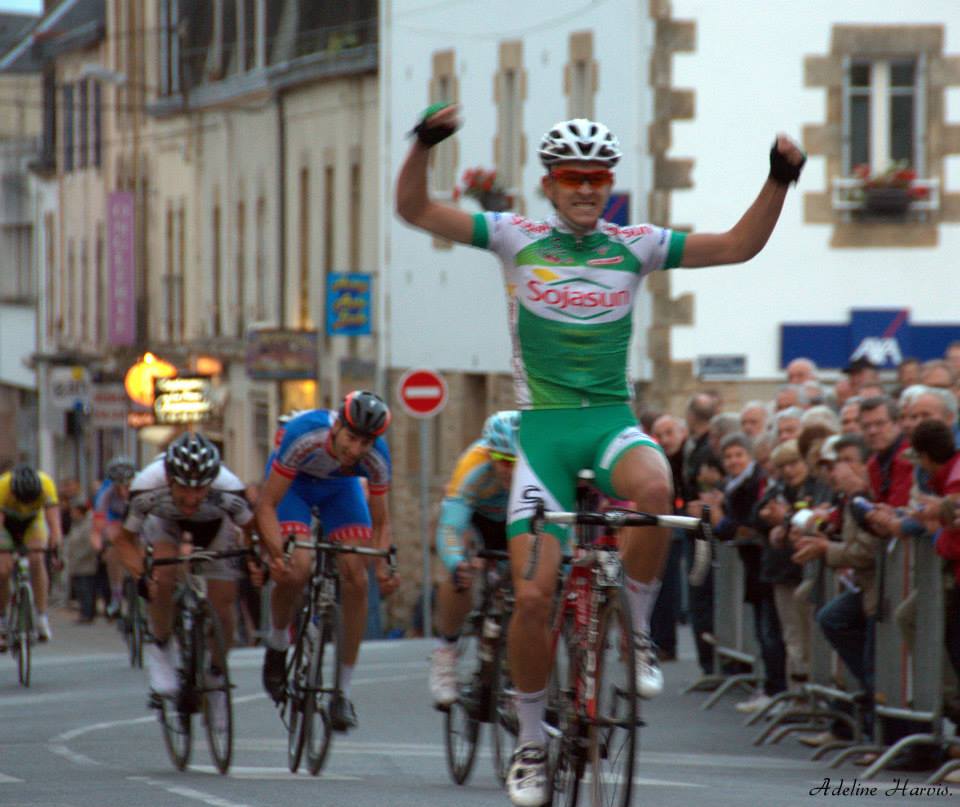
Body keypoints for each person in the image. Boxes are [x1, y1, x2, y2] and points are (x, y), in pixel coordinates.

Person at [396, 104, 805, 806]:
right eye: (573, 177)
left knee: (655, 484)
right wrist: (423, 144)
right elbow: (416, 210)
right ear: (549, 183)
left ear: (610, 183)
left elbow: (739, 245)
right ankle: (529, 739)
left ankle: (637, 629)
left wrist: (780, 179)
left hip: (612, 421)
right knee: (530, 595)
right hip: (545, 434)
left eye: (599, 178)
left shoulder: (635, 242)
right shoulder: (512, 236)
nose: (587, 189)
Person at [256, 391, 397, 732]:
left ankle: (342, 693)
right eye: (351, 438)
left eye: (366, 442)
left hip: (340, 490)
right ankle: (277, 643)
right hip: (295, 488)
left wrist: (383, 566)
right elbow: (266, 506)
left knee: (357, 578)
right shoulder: (304, 435)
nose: (356, 450)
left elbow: (381, 522)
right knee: (297, 567)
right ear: (337, 426)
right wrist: (276, 555)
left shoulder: (377, 457)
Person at [114, 433, 255, 723]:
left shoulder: (229, 489)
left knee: (224, 602)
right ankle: (162, 648)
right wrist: (142, 577)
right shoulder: (147, 486)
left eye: (200, 490)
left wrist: (255, 560)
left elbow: (252, 530)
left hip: (215, 525)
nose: (191, 499)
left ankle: (216, 676)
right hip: (166, 523)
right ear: (169, 478)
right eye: (183, 490)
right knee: (162, 576)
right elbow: (125, 541)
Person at [429, 410, 519, 706]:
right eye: (502, 460)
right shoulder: (474, 463)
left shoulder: (540, 469)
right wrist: (457, 562)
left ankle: (512, 665)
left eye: (516, 461)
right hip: (475, 522)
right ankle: (446, 652)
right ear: (489, 451)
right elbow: (451, 528)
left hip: (514, 522)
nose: (508, 469)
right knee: (460, 576)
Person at [0, 464, 62, 647]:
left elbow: (54, 523)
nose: (25, 504)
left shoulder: (46, 485)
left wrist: (55, 547)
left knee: (37, 559)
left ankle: (41, 616)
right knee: (3, 570)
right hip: (6, 524)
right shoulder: (3, 487)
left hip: (33, 523)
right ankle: (2, 618)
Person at [92, 456, 137, 618]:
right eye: (119, 486)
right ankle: (117, 595)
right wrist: (100, 541)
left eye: (127, 485)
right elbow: (99, 518)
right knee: (113, 549)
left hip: (137, 515)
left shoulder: (141, 487)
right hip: (115, 518)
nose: (123, 490)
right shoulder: (106, 492)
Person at [64, 495, 99, 624]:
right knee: (81, 589)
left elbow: (89, 544)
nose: (71, 514)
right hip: (77, 563)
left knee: (86, 589)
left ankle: (87, 613)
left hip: (85, 563)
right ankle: (85, 612)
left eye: (73, 511)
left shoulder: (88, 524)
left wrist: (77, 557)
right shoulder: (77, 524)